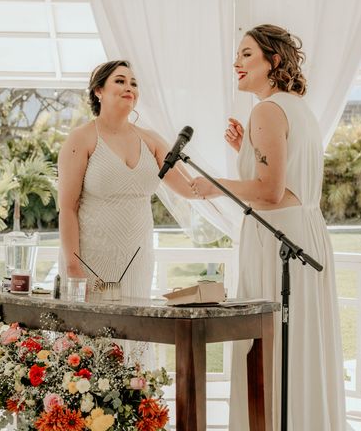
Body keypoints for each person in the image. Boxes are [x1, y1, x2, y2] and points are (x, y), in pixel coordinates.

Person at [192, 24, 346, 430]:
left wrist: (215, 184)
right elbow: (289, 177)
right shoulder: (297, 108)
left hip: (278, 239)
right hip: (305, 231)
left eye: (246, 54)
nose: (236, 63)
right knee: (301, 346)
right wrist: (245, 148)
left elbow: (270, 191)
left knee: (270, 346)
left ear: (272, 61)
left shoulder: (266, 110)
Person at [58, 60, 198, 299]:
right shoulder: (81, 138)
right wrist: (73, 266)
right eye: (120, 81)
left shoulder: (151, 140)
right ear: (98, 91)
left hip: (137, 263)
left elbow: (189, 188)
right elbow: (67, 208)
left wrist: (240, 184)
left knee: (133, 335)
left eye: (133, 83)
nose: (129, 87)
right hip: (89, 262)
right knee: (92, 335)